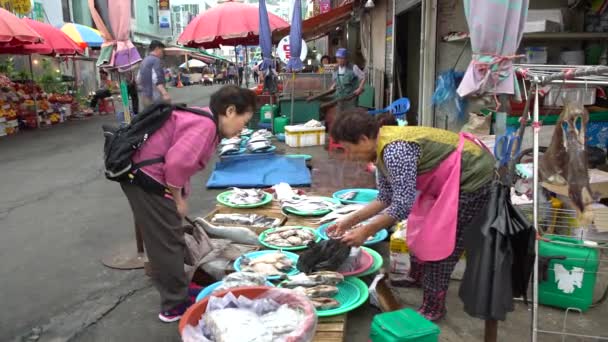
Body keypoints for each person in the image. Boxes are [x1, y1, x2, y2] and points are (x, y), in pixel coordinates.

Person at [327, 109, 495, 321]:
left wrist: (365, 231)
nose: (349, 157)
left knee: (441, 245)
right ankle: (418, 277)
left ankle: (433, 308)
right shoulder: (380, 148)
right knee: (420, 230)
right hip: (447, 179)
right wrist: (350, 220)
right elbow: (385, 197)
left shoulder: (395, 150)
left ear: (363, 139)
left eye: (348, 150)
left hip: (473, 179)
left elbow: (402, 205)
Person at [121, 85, 256, 323]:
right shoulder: (205, 126)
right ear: (231, 111)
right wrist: (178, 199)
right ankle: (174, 306)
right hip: (146, 178)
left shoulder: (207, 122)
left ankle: (179, 291)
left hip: (147, 175)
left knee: (167, 236)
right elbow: (175, 165)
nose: (242, 129)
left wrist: (180, 194)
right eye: (244, 122)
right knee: (167, 241)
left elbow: (183, 164)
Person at [138, 40, 171, 108]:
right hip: (154, 96)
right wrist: (164, 93)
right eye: (162, 51)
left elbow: (138, 79)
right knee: (160, 116)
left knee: (149, 117)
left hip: (144, 96)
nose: (162, 53)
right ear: (157, 49)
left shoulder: (144, 61)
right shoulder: (156, 60)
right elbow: (156, 79)